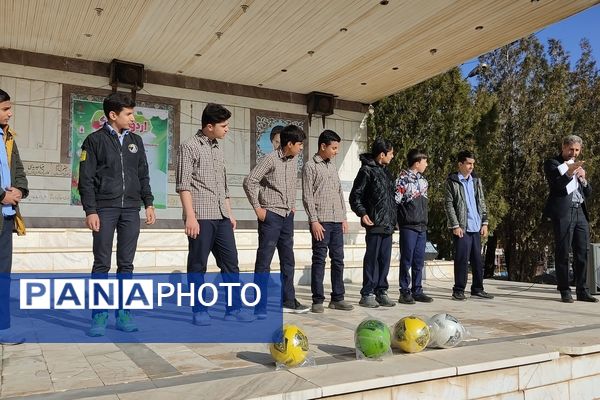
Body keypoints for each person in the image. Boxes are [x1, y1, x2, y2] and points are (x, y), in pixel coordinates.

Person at [78, 92, 156, 336]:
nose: (133, 118)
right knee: (102, 264)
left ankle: (124, 313)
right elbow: (86, 179)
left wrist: (149, 203)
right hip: (105, 209)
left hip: (131, 210)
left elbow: (143, 174)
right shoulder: (94, 141)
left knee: (126, 264)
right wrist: (91, 210)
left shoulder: (136, 141)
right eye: (129, 114)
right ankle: (99, 315)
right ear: (113, 115)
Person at [176, 103, 254, 325]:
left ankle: (234, 309)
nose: (227, 129)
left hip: (221, 216)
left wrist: (229, 213)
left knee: (231, 264)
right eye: (224, 125)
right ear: (209, 126)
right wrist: (190, 216)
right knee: (198, 265)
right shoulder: (189, 147)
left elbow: (224, 186)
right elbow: (183, 185)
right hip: (200, 216)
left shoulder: (217, 148)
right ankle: (199, 311)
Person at [243, 124, 309, 316]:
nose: (301, 148)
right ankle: (259, 306)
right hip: (270, 216)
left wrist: (292, 205)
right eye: (299, 144)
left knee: (288, 261)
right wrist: (258, 208)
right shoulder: (270, 159)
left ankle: (289, 300)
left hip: (287, 216)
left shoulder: (294, 158)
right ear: (289, 144)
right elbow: (250, 181)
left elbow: (290, 184)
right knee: (264, 261)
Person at [302, 130, 353, 313]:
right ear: (323, 146)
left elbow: (339, 193)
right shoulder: (310, 166)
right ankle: (317, 300)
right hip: (321, 222)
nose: (336, 151)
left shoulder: (332, 166)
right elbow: (307, 195)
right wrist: (314, 221)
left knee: (338, 260)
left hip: (337, 221)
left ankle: (338, 298)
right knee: (319, 259)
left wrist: (344, 218)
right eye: (334, 148)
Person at [543, 135, 597, 303]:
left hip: (580, 211)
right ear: (563, 147)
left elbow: (587, 193)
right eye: (570, 149)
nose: (573, 153)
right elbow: (557, 185)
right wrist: (570, 172)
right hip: (563, 213)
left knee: (582, 252)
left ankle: (582, 289)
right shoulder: (553, 163)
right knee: (563, 252)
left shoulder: (578, 165)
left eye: (577, 150)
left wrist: (584, 179)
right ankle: (564, 289)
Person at [349, 138, 397, 308]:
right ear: (382, 154)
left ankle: (381, 291)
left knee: (384, 259)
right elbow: (355, 196)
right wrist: (362, 213)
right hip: (374, 222)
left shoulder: (386, 172)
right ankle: (367, 293)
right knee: (372, 258)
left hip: (388, 224)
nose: (392, 157)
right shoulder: (366, 171)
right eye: (390, 153)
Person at [444, 150, 493, 301]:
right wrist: (455, 225)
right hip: (462, 227)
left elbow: (481, 201)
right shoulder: (452, 181)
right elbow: (449, 205)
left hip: (476, 226)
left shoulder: (476, 180)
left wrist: (484, 222)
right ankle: (458, 289)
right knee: (461, 259)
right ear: (460, 164)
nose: (471, 167)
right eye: (469, 163)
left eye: (473, 164)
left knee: (477, 260)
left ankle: (477, 288)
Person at [0, 89, 28, 345]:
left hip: (7, 217)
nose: (10, 113)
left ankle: (3, 328)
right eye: (5, 109)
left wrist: (20, 190)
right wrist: (1, 195)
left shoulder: (8, 137)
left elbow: (17, 169)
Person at [395, 149, 433, 304]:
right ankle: (404, 291)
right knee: (407, 259)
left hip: (421, 226)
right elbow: (396, 201)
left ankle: (417, 290)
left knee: (419, 260)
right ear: (417, 163)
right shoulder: (403, 179)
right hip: (408, 226)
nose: (427, 164)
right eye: (425, 161)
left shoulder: (423, 182)